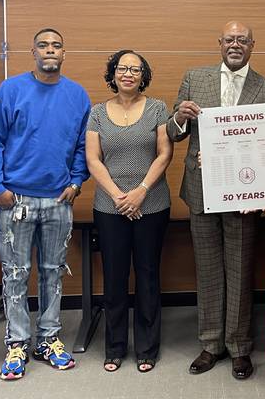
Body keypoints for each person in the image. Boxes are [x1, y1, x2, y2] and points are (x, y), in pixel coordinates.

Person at [167, 20, 265, 380]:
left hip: (244, 193)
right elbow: (172, 132)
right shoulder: (193, 79)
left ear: (252, 45)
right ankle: (211, 343)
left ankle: (240, 346)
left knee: (241, 269)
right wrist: (180, 119)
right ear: (219, 43)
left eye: (242, 40)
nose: (235, 44)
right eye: (229, 39)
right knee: (209, 269)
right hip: (201, 190)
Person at [0, 28, 91, 381]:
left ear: (64, 52)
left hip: (58, 199)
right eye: (43, 45)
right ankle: (16, 343)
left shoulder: (77, 95)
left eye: (57, 45)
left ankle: (48, 339)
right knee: (15, 275)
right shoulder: (11, 89)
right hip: (16, 200)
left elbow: (82, 147)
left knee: (52, 273)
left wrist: (76, 181)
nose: (50, 50)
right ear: (33, 51)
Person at [85, 49, 173, 373]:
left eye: (135, 69)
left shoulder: (157, 108)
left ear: (143, 75)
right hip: (110, 207)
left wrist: (140, 192)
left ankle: (147, 348)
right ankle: (115, 347)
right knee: (114, 277)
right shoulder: (97, 112)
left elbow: (164, 154)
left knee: (148, 275)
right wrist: (119, 196)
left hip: (152, 204)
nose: (128, 74)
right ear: (113, 73)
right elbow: (93, 159)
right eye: (123, 68)